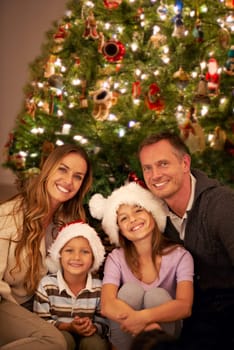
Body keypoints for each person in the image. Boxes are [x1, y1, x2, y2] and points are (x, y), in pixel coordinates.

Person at [138, 132, 234, 349]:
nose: (155, 175)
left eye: (163, 164)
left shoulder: (221, 205)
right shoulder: (153, 214)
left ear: (184, 163)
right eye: (147, 168)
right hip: (190, 312)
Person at [0, 143, 92, 350]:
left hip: (38, 305)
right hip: (4, 302)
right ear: (48, 169)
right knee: (53, 341)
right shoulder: (9, 215)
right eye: (63, 169)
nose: (69, 181)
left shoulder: (70, 222)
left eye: (78, 176)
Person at [89, 182, 194, 350]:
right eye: (123, 218)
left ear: (153, 213)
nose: (133, 219)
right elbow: (107, 305)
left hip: (163, 337)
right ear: (119, 230)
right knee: (130, 292)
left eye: (138, 210)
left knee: (157, 296)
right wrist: (142, 324)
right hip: (126, 335)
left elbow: (184, 306)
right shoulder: (116, 258)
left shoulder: (180, 256)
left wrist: (143, 318)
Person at [33, 220, 110, 350]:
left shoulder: (100, 288)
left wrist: (92, 327)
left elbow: (105, 324)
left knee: (96, 344)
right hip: (58, 335)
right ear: (59, 256)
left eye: (85, 252)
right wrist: (68, 327)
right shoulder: (47, 285)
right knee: (64, 340)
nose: (77, 257)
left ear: (93, 259)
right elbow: (40, 323)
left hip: (89, 337)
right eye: (69, 250)